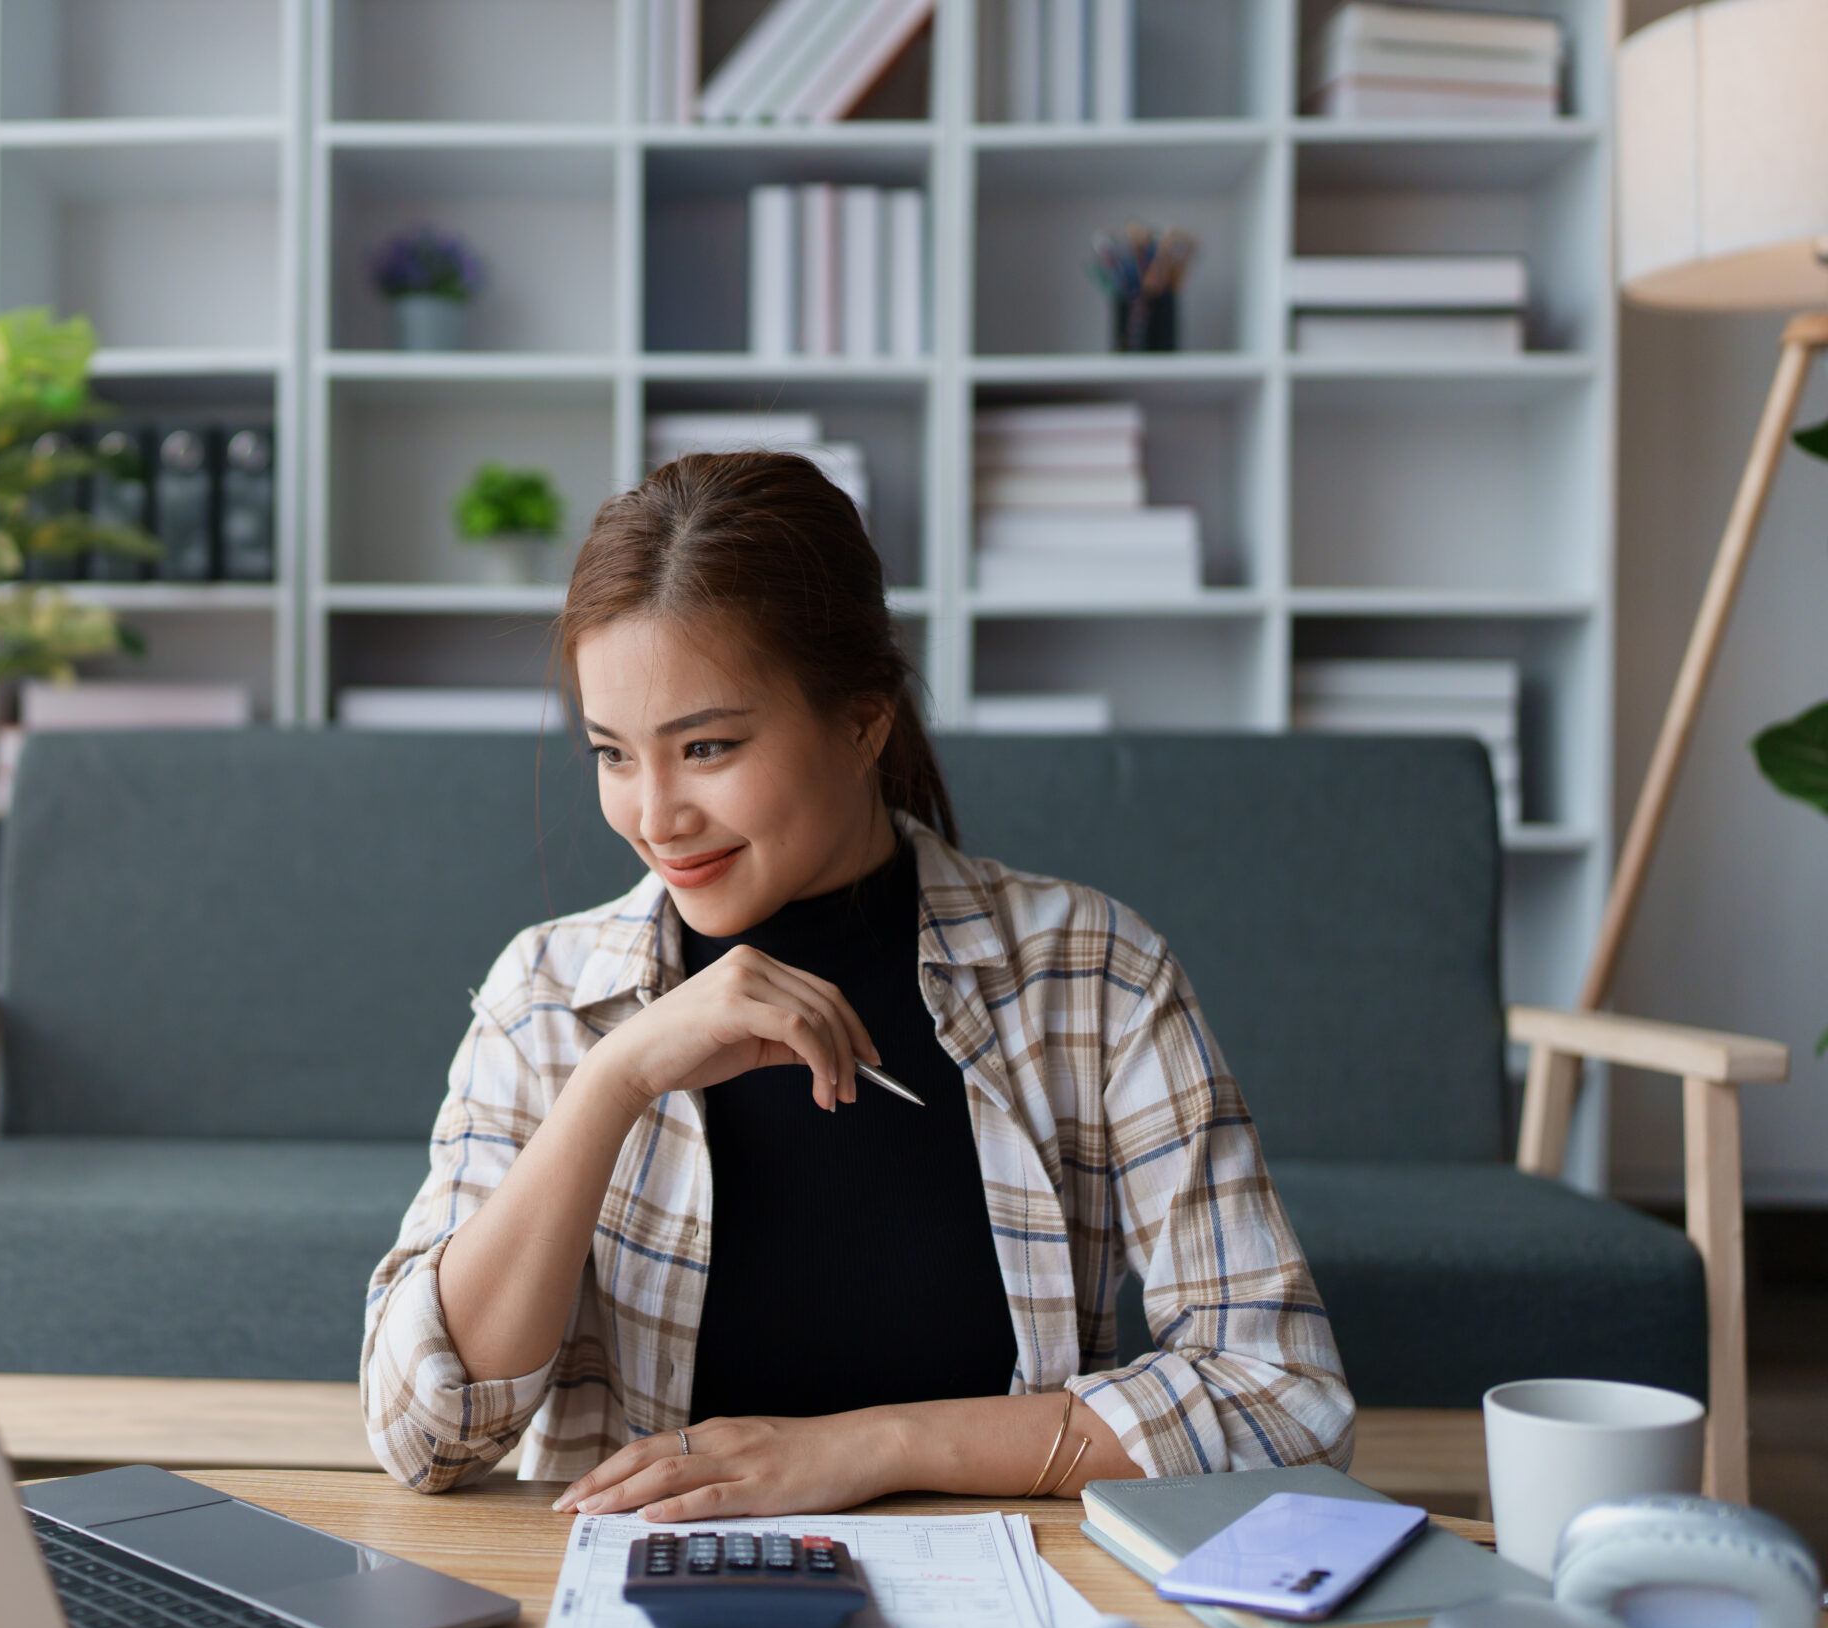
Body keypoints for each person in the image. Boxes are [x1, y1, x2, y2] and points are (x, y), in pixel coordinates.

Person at [362, 452, 1352, 1521]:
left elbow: (1285, 1400)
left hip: (1004, 1601)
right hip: (643, 1601)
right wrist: (615, 1079)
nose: (654, 815)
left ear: (862, 722)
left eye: (706, 746)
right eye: (612, 754)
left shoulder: (1090, 972)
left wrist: (872, 1447)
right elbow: (426, 1437)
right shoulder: (551, 993)